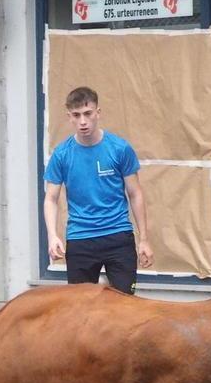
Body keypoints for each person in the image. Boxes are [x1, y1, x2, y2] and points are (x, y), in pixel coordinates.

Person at [43, 86, 153, 296]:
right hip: (80, 239)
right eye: (76, 115)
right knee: (80, 309)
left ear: (97, 113)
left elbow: (135, 193)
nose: (83, 121)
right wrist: (52, 235)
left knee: (124, 306)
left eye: (88, 113)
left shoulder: (120, 148)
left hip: (117, 236)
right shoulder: (62, 154)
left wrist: (144, 239)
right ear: (69, 117)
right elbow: (51, 198)